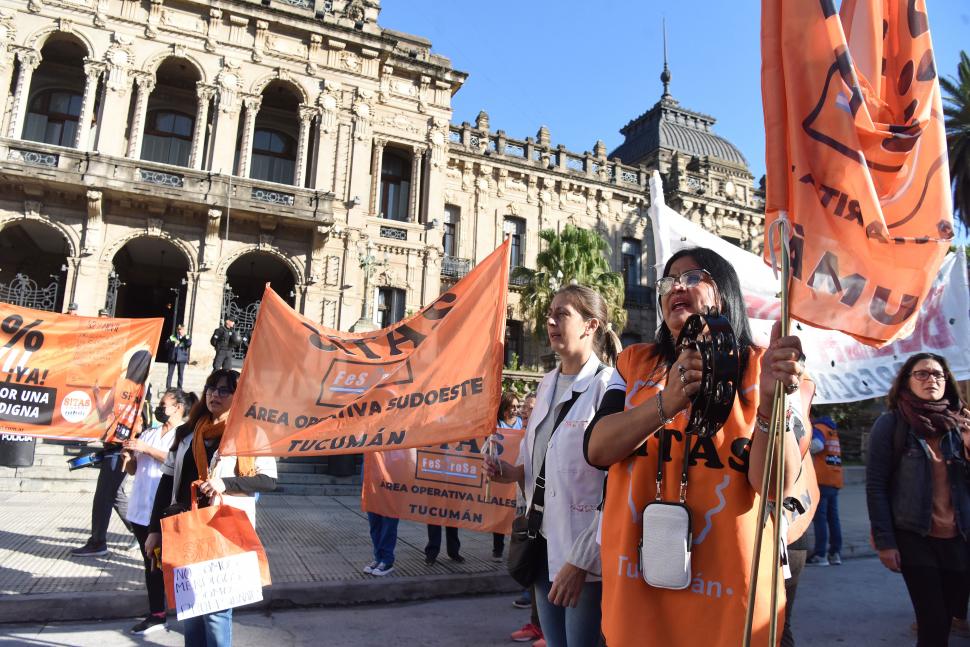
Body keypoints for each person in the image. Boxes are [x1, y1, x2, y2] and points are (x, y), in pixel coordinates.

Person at [584, 247, 811, 647]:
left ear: (723, 293)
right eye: (669, 282)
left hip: (730, 600)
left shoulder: (768, 369)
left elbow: (774, 486)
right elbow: (598, 449)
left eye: (693, 278)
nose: (677, 288)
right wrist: (665, 404)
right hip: (638, 590)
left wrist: (772, 404)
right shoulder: (634, 364)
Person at [486, 284, 621, 647]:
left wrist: (584, 559)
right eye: (550, 312)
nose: (550, 320)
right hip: (542, 539)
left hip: (582, 549)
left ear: (591, 326)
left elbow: (616, 485)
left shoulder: (609, 386)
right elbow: (540, 455)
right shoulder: (546, 383)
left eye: (562, 313)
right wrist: (512, 472)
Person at [145, 369, 278, 647]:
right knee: (191, 609)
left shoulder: (252, 433)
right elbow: (166, 482)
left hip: (224, 531)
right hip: (186, 529)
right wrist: (154, 529)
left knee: (216, 612)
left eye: (223, 390)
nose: (214, 394)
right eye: (210, 388)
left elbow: (267, 480)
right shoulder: (186, 433)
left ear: (238, 396)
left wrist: (224, 483)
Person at [866, 352, 970, 647]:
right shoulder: (891, 425)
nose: (931, 380)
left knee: (950, 615)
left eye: (938, 374)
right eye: (922, 374)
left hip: (959, 537)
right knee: (933, 622)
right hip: (914, 535)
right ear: (906, 382)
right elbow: (876, 486)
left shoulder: (960, 424)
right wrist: (885, 541)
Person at [123, 388, 195, 635]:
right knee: (151, 563)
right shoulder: (150, 433)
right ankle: (157, 613)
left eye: (164, 405)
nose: (160, 409)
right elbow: (132, 470)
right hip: (141, 509)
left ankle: (184, 611)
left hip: (165, 510)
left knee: (170, 563)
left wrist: (145, 448)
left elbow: (173, 461)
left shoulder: (184, 434)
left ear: (178, 408)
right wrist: (129, 454)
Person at [71, 349, 154, 557]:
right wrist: (98, 392)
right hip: (125, 445)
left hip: (119, 447)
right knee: (115, 494)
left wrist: (97, 392)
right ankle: (139, 531)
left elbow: (103, 413)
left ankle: (98, 541)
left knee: (103, 496)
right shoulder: (145, 390)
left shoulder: (126, 385)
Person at [807, 411, 843, 566]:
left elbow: (818, 445)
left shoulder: (819, 428)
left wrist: (803, 447)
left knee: (820, 518)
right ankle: (835, 553)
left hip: (821, 479)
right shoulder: (832, 430)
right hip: (834, 478)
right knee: (833, 518)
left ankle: (820, 554)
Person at [491, 391, 522, 562]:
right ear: (504, 408)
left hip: (517, 473)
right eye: (513, 407)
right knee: (500, 511)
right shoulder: (496, 424)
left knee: (515, 514)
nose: (516, 410)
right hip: (501, 475)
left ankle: (515, 550)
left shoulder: (521, 424)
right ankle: (498, 549)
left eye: (518, 407)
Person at [166, 325, 192, 390]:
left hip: (181, 358)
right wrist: (172, 343)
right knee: (170, 374)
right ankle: (168, 387)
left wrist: (186, 338)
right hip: (173, 357)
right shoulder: (172, 337)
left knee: (180, 374)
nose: (180, 331)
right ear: (177, 330)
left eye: (182, 329)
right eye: (179, 329)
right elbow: (166, 345)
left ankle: (179, 388)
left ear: (184, 330)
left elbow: (189, 344)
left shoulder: (186, 337)